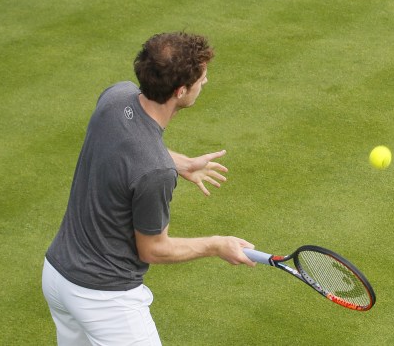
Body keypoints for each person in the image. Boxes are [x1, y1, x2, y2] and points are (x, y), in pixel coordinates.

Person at [42, 32, 254, 345]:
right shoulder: (155, 173)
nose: (205, 83)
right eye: (201, 78)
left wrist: (179, 163)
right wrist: (216, 245)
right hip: (105, 298)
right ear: (181, 91)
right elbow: (153, 249)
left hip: (58, 276)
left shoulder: (115, 97)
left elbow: (125, 142)